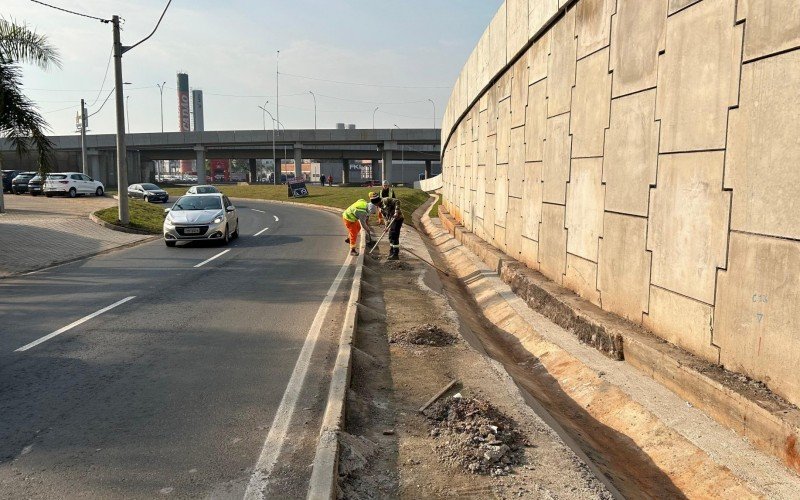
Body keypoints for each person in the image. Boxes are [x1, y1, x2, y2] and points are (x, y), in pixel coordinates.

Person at [380, 195, 404, 260]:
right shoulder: (381, 209)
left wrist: (396, 212)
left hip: (398, 219)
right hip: (392, 220)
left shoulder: (386, 200)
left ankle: (395, 254)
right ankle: (391, 251)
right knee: (390, 236)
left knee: (394, 235)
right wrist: (386, 227)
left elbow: (397, 201)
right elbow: (386, 218)